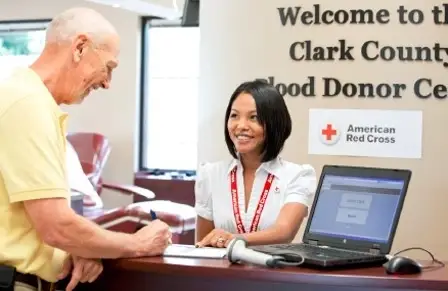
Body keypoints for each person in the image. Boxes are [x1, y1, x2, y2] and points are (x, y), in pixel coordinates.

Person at [0, 7, 171, 291]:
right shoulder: (26, 104)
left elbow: (33, 223)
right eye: (109, 67)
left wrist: (80, 245)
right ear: (80, 47)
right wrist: (136, 243)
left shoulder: (28, 99)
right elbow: (55, 225)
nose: (107, 82)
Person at [194, 80, 317, 248]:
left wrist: (234, 239)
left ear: (274, 123)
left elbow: (284, 232)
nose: (241, 126)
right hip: (221, 272)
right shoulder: (210, 174)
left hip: (271, 271)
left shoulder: (298, 176)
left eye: (254, 117)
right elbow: (203, 245)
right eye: (234, 115)